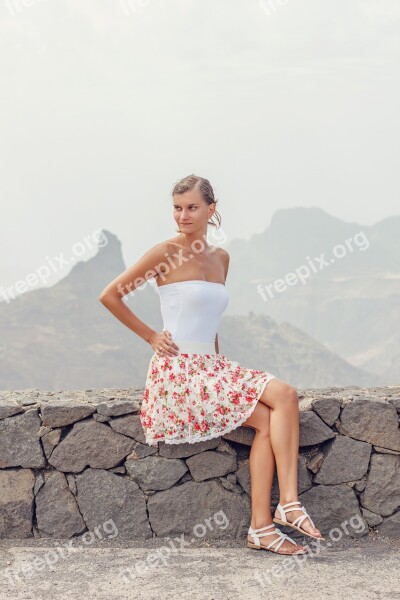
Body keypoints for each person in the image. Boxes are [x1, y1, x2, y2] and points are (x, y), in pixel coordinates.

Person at [99, 174, 324, 556]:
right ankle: (284, 508)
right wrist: (152, 337)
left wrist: (219, 365)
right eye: (177, 207)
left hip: (210, 365)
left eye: (191, 207)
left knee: (281, 402)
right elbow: (110, 295)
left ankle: (265, 526)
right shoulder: (165, 251)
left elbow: (211, 321)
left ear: (211, 209)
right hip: (178, 373)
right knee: (279, 401)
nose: (183, 215)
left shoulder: (221, 258)